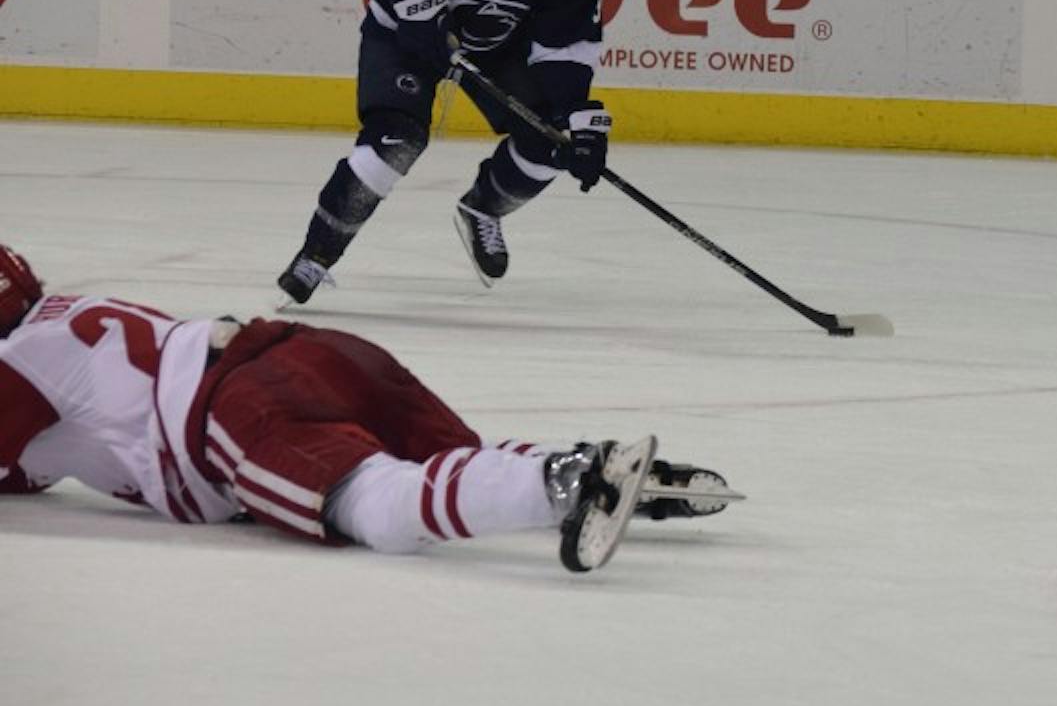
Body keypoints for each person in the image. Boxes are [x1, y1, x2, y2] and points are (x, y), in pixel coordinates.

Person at [0, 244, 730, 575]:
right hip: (314, 351)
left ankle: (565, 482)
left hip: (236, 416)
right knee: (454, 464)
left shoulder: (18, 367)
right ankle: (608, 474)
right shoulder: (68, 315)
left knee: (377, 509)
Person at [276, 0, 611, 303]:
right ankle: (316, 255)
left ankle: (482, 209)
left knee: (546, 144)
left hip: (497, 50)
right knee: (395, 141)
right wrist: (414, 5)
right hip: (406, 38)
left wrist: (571, 117)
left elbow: (565, 44)